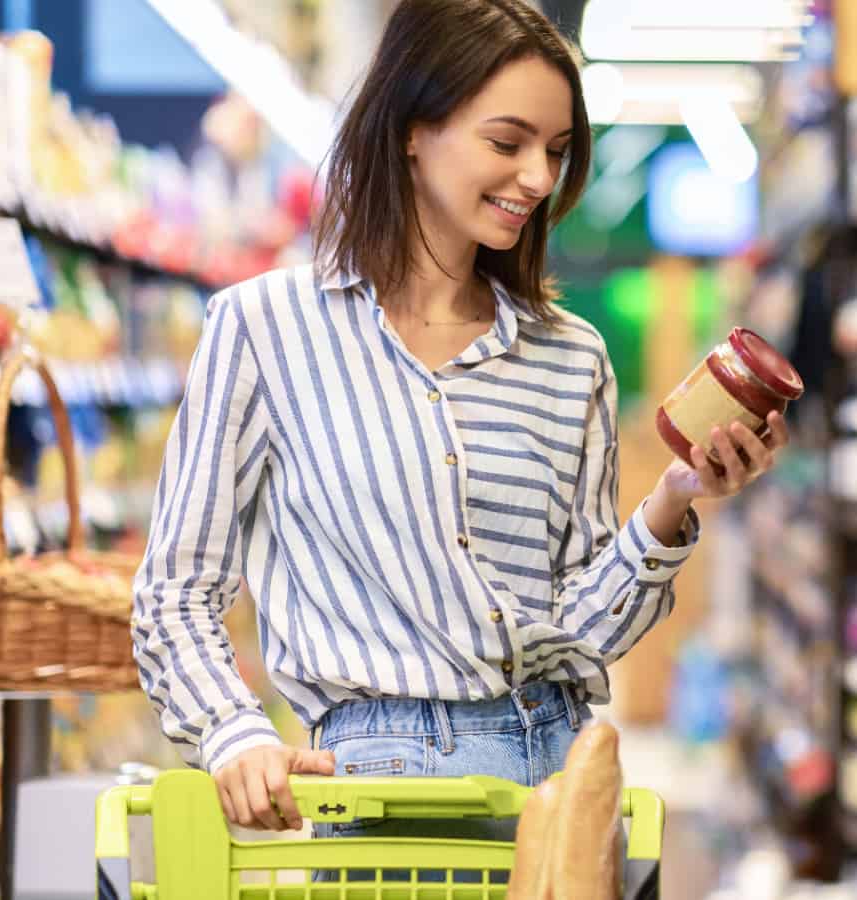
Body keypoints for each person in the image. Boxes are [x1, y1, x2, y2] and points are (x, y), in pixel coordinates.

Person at [131, 0, 789, 836]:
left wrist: (673, 499)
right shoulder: (264, 330)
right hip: (377, 795)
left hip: (558, 785)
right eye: (507, 143)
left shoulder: (570, 356)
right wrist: (233, 733)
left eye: (556, 152)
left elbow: (582, 632)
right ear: (414, 128)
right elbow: (176, 591)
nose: (539, 179)